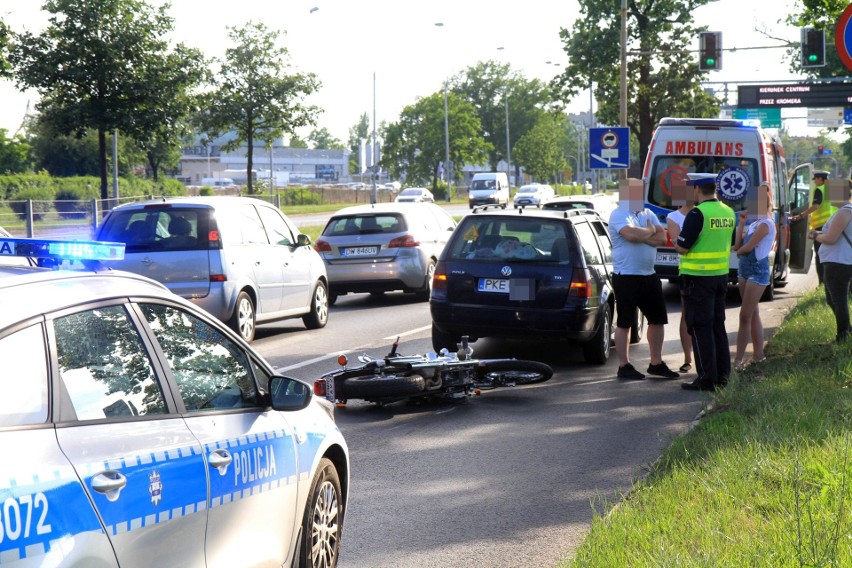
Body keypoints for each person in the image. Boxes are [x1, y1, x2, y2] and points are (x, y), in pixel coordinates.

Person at [608, 178, 679, 380]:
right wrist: (649, 231)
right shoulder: (619, 214)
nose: (640, 195)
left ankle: (656, 363)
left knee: (657, 319)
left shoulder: (647, 213)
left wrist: (645, 235)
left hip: (649, 274)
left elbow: (662, 238)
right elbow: (630, 235)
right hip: (626, 276)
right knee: (624, 322)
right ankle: (624, 365)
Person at [675, 176, 736, 391]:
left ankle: (706, 379)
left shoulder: (697, 213)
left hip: (698, 279)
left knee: (700, 327)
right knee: (717, 326)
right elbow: (733, 242)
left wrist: (676, 241)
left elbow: (682, 247)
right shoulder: (728, 212)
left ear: (698, 189)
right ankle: (723, 376)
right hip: (721, 276)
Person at [732, 184, 776, 371]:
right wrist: (741, 223)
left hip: (757, 271)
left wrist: (740, 251)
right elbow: (736, 246)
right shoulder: (753, 223)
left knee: (744, 316)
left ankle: (737, 361)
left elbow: (746, 247)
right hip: (744, 270)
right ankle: (759, 355)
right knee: (753, 313)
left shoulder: (767, 223)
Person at [809, 179, 852, 342]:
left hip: (838, 263)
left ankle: (843, 336)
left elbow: (831, 238)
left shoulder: (844, 212)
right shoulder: (844, 211)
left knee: (838, 300)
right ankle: (846, 330)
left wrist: (815, 235)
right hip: (839, 261)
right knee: (832, 299)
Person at [666, 179, 694, 374]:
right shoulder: (673, 217)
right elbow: (679, 245)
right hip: (687, 272)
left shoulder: (704, 212)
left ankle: (703, 356)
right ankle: (688, 358)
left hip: (709, 272)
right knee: (687, 314)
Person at [791, 170, 836, 285]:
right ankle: (831, 282)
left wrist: (801, 216)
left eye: (815, 179)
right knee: (833, 256)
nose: (815, 182)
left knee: (820, 256)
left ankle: (822, 283)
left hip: (822, 228)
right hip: (836, 226)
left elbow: (815, 206)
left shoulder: (819, 189)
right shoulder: (836, 188)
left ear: (820, 179)